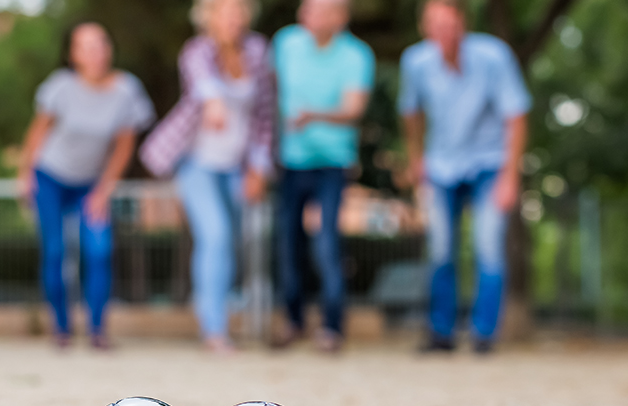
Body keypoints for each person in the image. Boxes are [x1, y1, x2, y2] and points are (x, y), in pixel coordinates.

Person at [140, 0, 275, 353]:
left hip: (237, 164)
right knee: (214, 235)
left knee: (234, 240)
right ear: (209, 18)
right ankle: (213, 329)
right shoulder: (196, 50)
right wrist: (214, 102)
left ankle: (225, 312)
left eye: (239, 12)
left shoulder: (259, 52)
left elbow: (264, 115)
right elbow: (203, 84)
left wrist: (259, 167)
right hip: (196, 161)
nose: (234, 19)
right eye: (225, 13)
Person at [398, 0, 531, 353]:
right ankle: (441, 331)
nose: (444, 32)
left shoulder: (494, 57)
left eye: (449, 23)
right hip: (441, 165)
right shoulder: (416, 62)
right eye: (435, 25)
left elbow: (516, 117)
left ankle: (484, 333)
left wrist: (510, 176)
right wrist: (416, 160)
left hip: (489, 163)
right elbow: (410, 113)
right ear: (425, 29)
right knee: (440, 249)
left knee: (488, 246)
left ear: (463, 24)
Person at [18, 22, 155, 349]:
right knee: (55, 252)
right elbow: (38, 133)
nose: (97, 51)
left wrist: (104, 190)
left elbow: (124, 146)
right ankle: (61, 329)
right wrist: (25, 175)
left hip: (91, 184)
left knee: (99, 251)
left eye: (102, 43)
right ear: (73, 55)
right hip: (50, 177)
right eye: (87, 46)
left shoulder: (127, 91)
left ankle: (97, 331)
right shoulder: (60, 87)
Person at [271, 0, 375, 352]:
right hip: (290, 161)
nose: (307, 16)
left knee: (326, 242)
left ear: (340, 17)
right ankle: (293, 320)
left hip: (333, 161)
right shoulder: (286, 43)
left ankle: (332, 325)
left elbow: (354, 108)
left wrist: (313, 116)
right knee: (288, 242)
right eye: (306, 9)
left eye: (318, 10)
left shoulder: (357, 55)